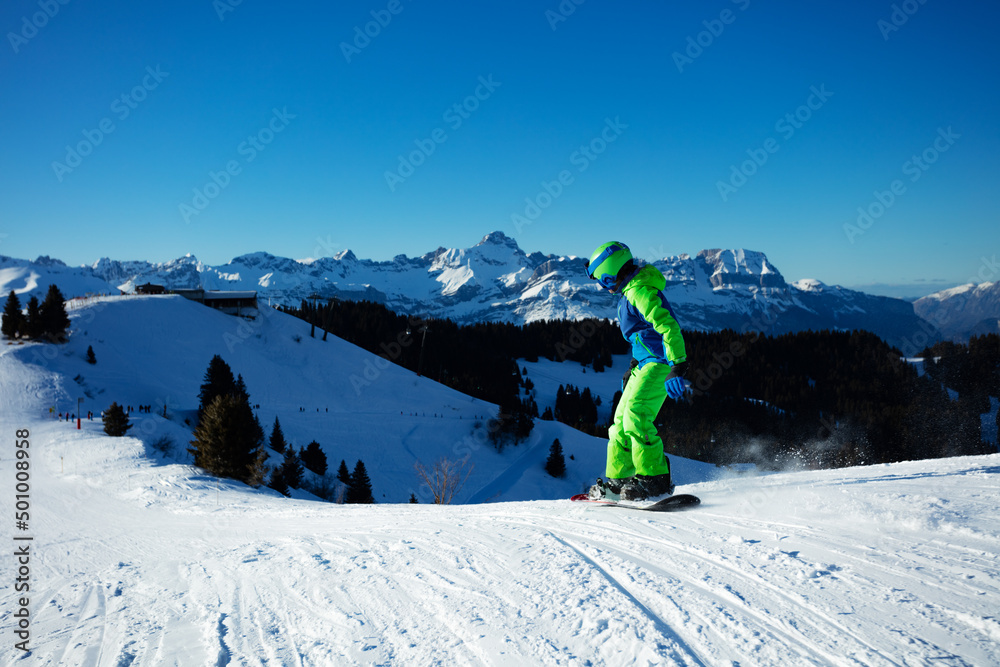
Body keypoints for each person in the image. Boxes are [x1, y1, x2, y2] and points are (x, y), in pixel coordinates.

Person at [585, 241, 688, 501]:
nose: (601, 285)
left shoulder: (640, 291)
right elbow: (643, 335)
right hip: (643, 364)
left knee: (636, 416)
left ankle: (655, 480)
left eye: (600, 279)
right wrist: (633, 364)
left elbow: (668, 327)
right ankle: (619, 480)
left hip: (660, 363)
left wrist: (677, 366)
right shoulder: (630, 292)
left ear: (609, 273)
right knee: (619, 425)